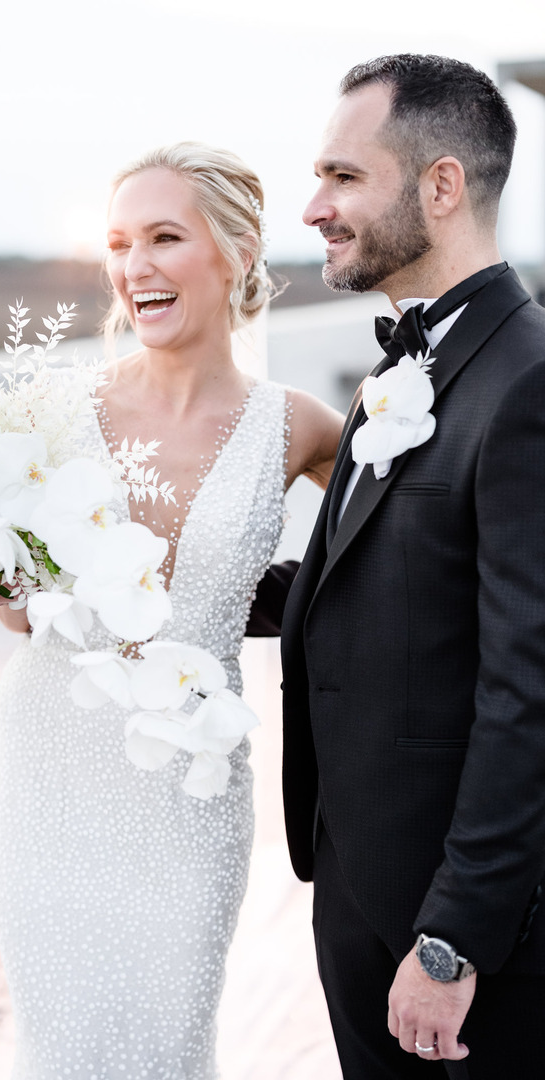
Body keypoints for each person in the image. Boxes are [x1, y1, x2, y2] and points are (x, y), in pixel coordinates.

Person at [0, 141, 343, 1080]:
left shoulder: (297, 425)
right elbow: (21, 617)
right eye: (118, 243)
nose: (134, 266)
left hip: (191, 789)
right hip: (48, 772)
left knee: (172, 1038)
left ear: (233, 250)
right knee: (59, 1043)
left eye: (164, 237)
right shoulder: (50, 415)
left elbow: (394, 556)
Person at [278, 54, 545, 1078]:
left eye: (344, 177)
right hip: (355, 891)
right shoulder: (405, 368)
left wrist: (452, 940)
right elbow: (380, 585)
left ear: (440, 185)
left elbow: (529, 691)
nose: (315, 207)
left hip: (461, 942)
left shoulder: (527, 383)